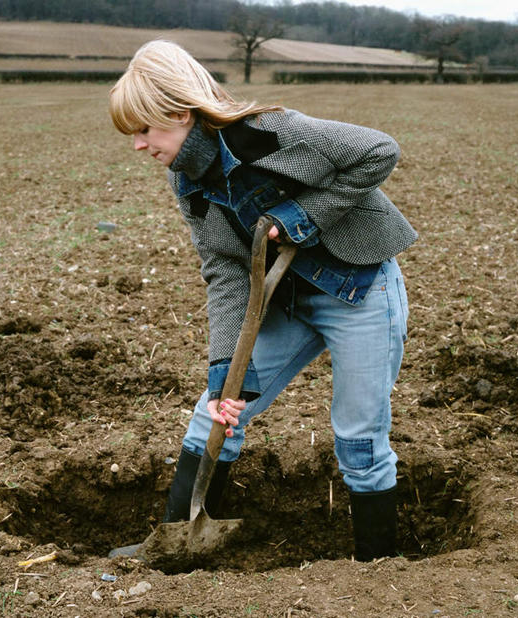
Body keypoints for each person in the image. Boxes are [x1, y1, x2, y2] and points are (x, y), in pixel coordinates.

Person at [108, 40, 416, 561]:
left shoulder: (273, 133)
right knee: (216, 415)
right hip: (285, 302)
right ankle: (176, 546)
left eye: (144, 130)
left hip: (359, 290)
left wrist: (299, 217)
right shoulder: (187, 180)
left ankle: (378, 566)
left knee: (358, 438)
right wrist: (225, 368)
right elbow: (225, 271)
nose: (138, 145)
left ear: (179, 112)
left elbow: (378, 151)